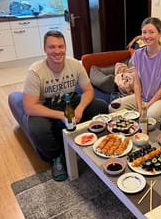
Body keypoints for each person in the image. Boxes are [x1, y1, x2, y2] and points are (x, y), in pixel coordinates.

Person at [23, 30, 108, 181]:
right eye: (52, 47)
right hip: (46, 106)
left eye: (60, 46)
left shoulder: (75, 65)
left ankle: (93, 143)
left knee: (100, 106)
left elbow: (88, 91)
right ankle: (56, 157)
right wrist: (61, 116)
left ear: (65, 47)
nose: (57, 51)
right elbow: (29, 107)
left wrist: (80, 108)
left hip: (70, 101)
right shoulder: (35, 71)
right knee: (37, 128)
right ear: (45, 49)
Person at [119, 17, 161, 122]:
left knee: (150, 116)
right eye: (144, 32)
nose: (147, 36)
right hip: (143, 97)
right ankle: (127, 135)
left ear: (160, 34)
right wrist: (139, 105)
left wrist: (146, 107)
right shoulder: (137, 54)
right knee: (116, 107)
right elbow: (137, 84)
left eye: (151, 32)